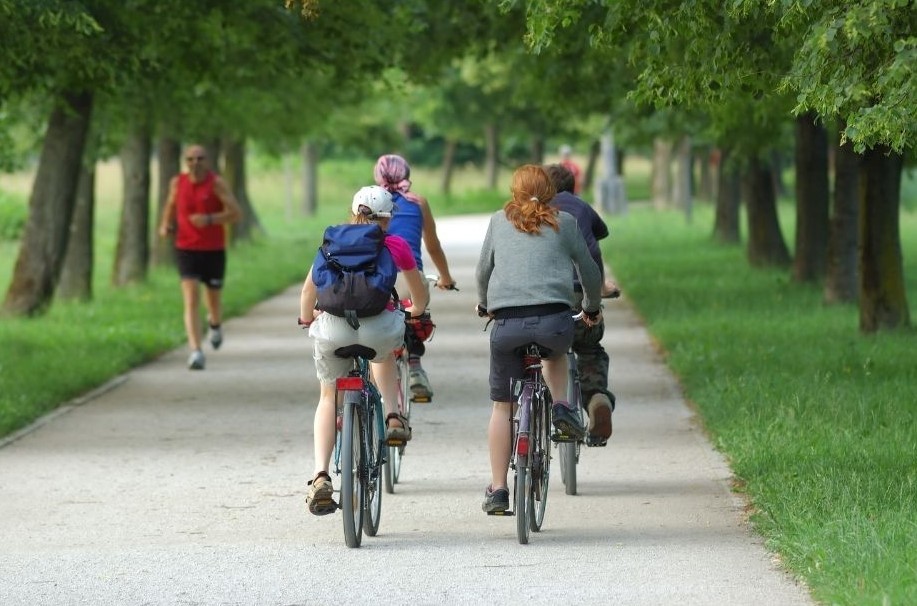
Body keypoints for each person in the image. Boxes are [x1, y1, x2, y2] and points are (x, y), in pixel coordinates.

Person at [475, 164, 603, 514]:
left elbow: (483, 270)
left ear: (514, 192)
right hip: (554, 323)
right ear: (550, 191)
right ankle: (562, 406)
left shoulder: (498, 222)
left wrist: (485, 304)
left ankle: (499, 489)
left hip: (508, 326)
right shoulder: (566, 223)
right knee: (555, 353)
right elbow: (590, 272)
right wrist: (591, 307)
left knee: (503, 406)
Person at [299, 185, 429, 516]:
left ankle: (320, 476)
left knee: (328, 398)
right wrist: (416, 310)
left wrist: (306, 318)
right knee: (383, 355)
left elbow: (308, 290)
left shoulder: (331, 242)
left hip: (333, 329)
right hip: (379, 329)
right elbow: (419, 292)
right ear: (387, 218)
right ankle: (392, 414)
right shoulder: (395, 245)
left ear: (352, 210)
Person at [374, 153, 456, 402]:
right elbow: (432, 246)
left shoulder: (370, 202)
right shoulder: (418, 202)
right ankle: (415, 363)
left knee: (375, 317)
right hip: (411, 278)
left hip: (376, 276)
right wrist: (445, 277)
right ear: (407, 176)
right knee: (415, 311)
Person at [545, 163, 616, 442]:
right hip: (580, 295)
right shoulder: (582, 208)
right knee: (589, 348)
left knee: (545, 350)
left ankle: (547, 404)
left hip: (547, 300)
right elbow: (598, 237)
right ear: (572, 187)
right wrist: (601, 289)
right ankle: (597, 398)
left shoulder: (533, 212)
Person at [158, 144, 243, 371]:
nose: (195, 163)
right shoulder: (178, 183)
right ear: (185, 162)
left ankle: (215, 324)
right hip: (186, 248)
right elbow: (170, 205)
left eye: (200, 158)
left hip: (213, 249)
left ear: (207, 160)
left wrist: (209, 219)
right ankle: (196, 351)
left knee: (213, 299)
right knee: (191, 298)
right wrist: (165, 224)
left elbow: (236, 213)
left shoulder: (216, 183)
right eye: (190, 159)